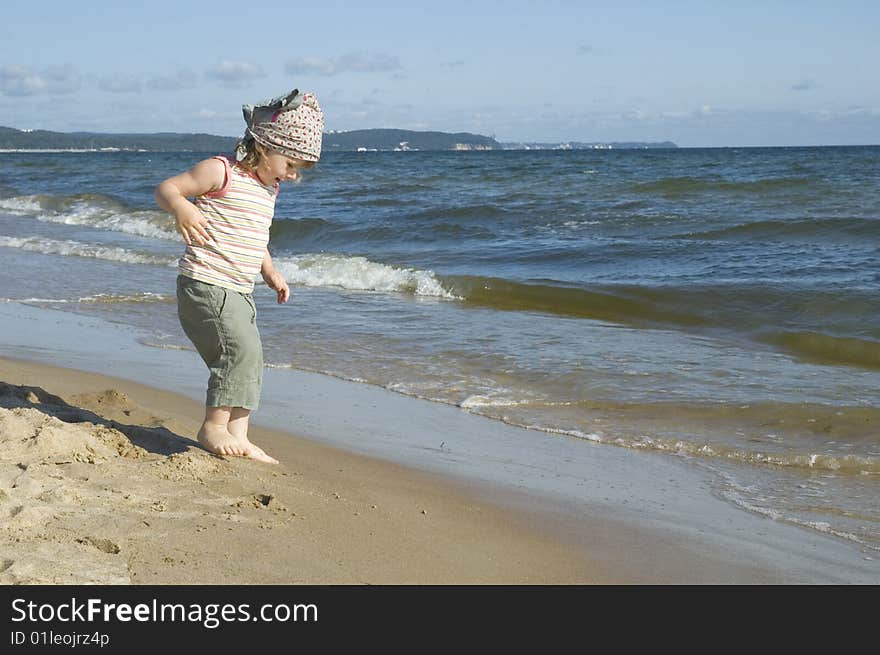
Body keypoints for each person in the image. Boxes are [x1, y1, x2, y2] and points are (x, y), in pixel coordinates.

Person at [155, 89, 323, 464]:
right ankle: (213, 426)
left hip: (239, 290)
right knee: (239, 353)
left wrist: (271, 270)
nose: (293, 176)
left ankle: (238, 433)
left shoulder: (268, 187)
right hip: (206, 282)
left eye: (299, 170)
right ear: (265, 147)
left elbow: (254, 234)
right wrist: (181, 206)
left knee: (251, 358)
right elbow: (167, 188)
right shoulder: (221, 170)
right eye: (291, 165)